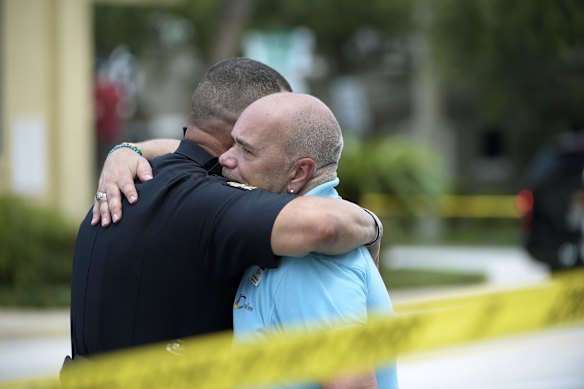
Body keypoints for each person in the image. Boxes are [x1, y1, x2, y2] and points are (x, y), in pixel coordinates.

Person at [69, 58, 381, 362]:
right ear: (245, 124)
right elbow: (323, 225)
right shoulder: (210, 203)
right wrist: (374, 226)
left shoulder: (128, 186)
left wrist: (128, 148)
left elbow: (188, 153)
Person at [224, 92, 397, 388]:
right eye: (232, 142)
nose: (225, 157)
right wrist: (129, 151)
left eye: (246, 151)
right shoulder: (288, 234)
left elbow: (353, 383)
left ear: (298, 173)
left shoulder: (311, 259)